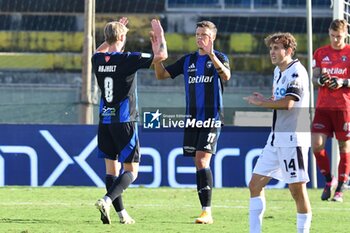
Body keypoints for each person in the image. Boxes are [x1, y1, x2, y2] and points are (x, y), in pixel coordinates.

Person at [150, 20, 231, 224]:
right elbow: (161, 75)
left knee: (203, 160)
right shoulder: (188, 61)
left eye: (203, 34)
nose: (199, 38)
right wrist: (157, 56)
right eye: (197, 34)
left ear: (212, 37)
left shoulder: (219, 57)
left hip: (211, 118)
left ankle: (207, 212)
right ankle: (205, 210)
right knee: (198, 162)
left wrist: (212, 54)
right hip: (192, 119)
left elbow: (226, 76)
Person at [92, 17, 166, 224]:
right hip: (124, 121)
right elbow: (162, 55)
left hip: (104, 121)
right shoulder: (128, 59)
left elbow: (100, 51)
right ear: (123, 37)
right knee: (132, 171)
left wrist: (112, 34)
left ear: (106, 38)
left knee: (111, 170)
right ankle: (107, 200)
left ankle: (121, 214)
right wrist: (160, 35)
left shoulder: (97, 60)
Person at [244, 32, 312, 233]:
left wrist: (263, 103)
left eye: (277, 48)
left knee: (296, 191)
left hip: (294, 139)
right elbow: (279, 100)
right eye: (271, 48)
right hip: (275, 138)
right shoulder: (277, 71)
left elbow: (289, 103)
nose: (272, 52)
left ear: (289, 50)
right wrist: (266, 99)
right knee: (255, 184)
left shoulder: (296, 72)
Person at [311, 19, 350, 202]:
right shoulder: (320, 53)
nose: (336, 40)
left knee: (344, 146)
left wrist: (343, 82)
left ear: (345, 34)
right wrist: (322, 81)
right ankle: (329, 179)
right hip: (323, 107)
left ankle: (341, 188)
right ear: (329, 33)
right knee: (316, 145)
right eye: (333, 36)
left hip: (344, 107)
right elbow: (314, 77)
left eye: (339, 37)